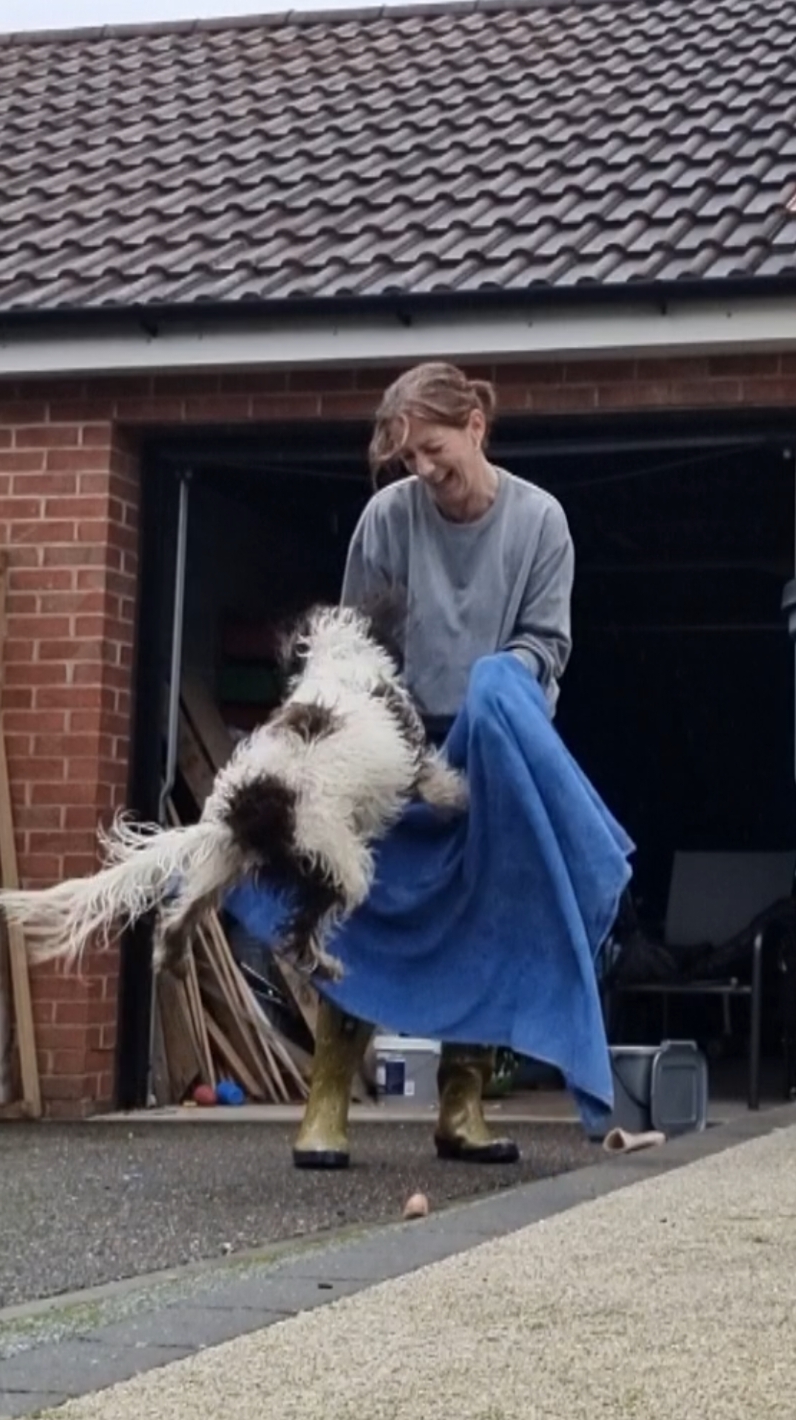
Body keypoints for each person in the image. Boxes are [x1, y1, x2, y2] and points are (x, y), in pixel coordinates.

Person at [291, 361, 576, 1170]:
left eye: (434, 447)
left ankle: (462, 1104)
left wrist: (496, 688)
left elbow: (545, 645)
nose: (423, 469)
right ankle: (328, 1098)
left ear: (476, 426)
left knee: (484, 912)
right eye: (408, 456)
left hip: (494, 743)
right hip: (395, 742)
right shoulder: (387, 520)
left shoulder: (539, 523)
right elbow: (358, 645)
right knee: (357, 899)